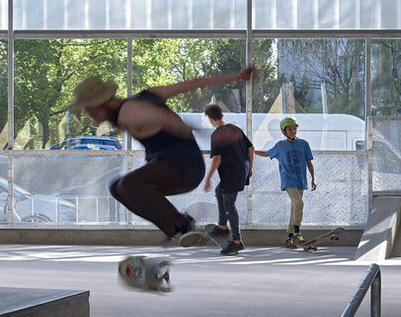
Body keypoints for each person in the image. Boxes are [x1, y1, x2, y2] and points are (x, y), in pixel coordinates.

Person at [71, 66, 256, 247]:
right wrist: (236, 75)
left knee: (128, 185)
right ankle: (177, 226)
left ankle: (183, 226)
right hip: (180, 166)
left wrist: (208, 134)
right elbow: (193, 83)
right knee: (117, 188)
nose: (91, 117)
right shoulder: (146, 96)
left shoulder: (129, 112)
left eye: (91, 111)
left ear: (103, 102)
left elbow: (169, 120)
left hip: (182, 167)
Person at [254, 116, 317, 247]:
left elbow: (309, 162)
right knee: (299, 203)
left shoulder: (304, 144)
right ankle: (297, 233)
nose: (292, 131)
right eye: (289, 129)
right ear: (284, 131)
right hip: (288, 180)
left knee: (294, 208)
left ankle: (289, 237)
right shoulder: (280, 146)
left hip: (301, 180)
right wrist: (252, 151)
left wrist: (313, 178)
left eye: (294, 128)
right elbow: (267, 154)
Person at [203, 103, 254, 256]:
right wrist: (250, 168)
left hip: (232, 173)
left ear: (211, 119)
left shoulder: (217, 135)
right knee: (220, 192)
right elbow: (251, 148)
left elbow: (217, 159)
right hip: (241, 170)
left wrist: (208, 178)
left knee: (229, 204)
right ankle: (222, 226)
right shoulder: (235, 129)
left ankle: (237, 242)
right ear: (221, 116)